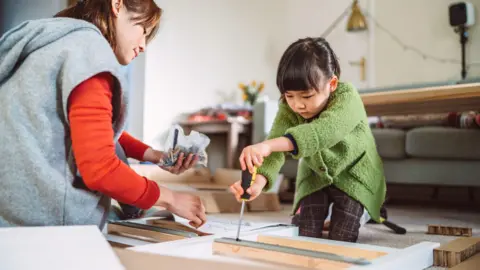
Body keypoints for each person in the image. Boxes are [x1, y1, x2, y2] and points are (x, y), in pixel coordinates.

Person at [0, 0, 207, 229]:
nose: (143, 45)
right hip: (46, 227)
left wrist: (155, 156)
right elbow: (100, 169)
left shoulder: (51, 43)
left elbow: (92, 131)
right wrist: (170, 198)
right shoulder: (90, 52)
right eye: (143, 30)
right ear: (117, 5)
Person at [230, 37, 386, 242]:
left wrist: (267, 145)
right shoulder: (289, 108)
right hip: (315, 178)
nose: (298, 105)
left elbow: (323, 132)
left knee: (341, 237)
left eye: (306, 96)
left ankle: (363, 210)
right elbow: (276, 148)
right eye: (290, 96)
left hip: (354, 175)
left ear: (332, 84)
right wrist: (257, 183)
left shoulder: (348, 97)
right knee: (304, 233)